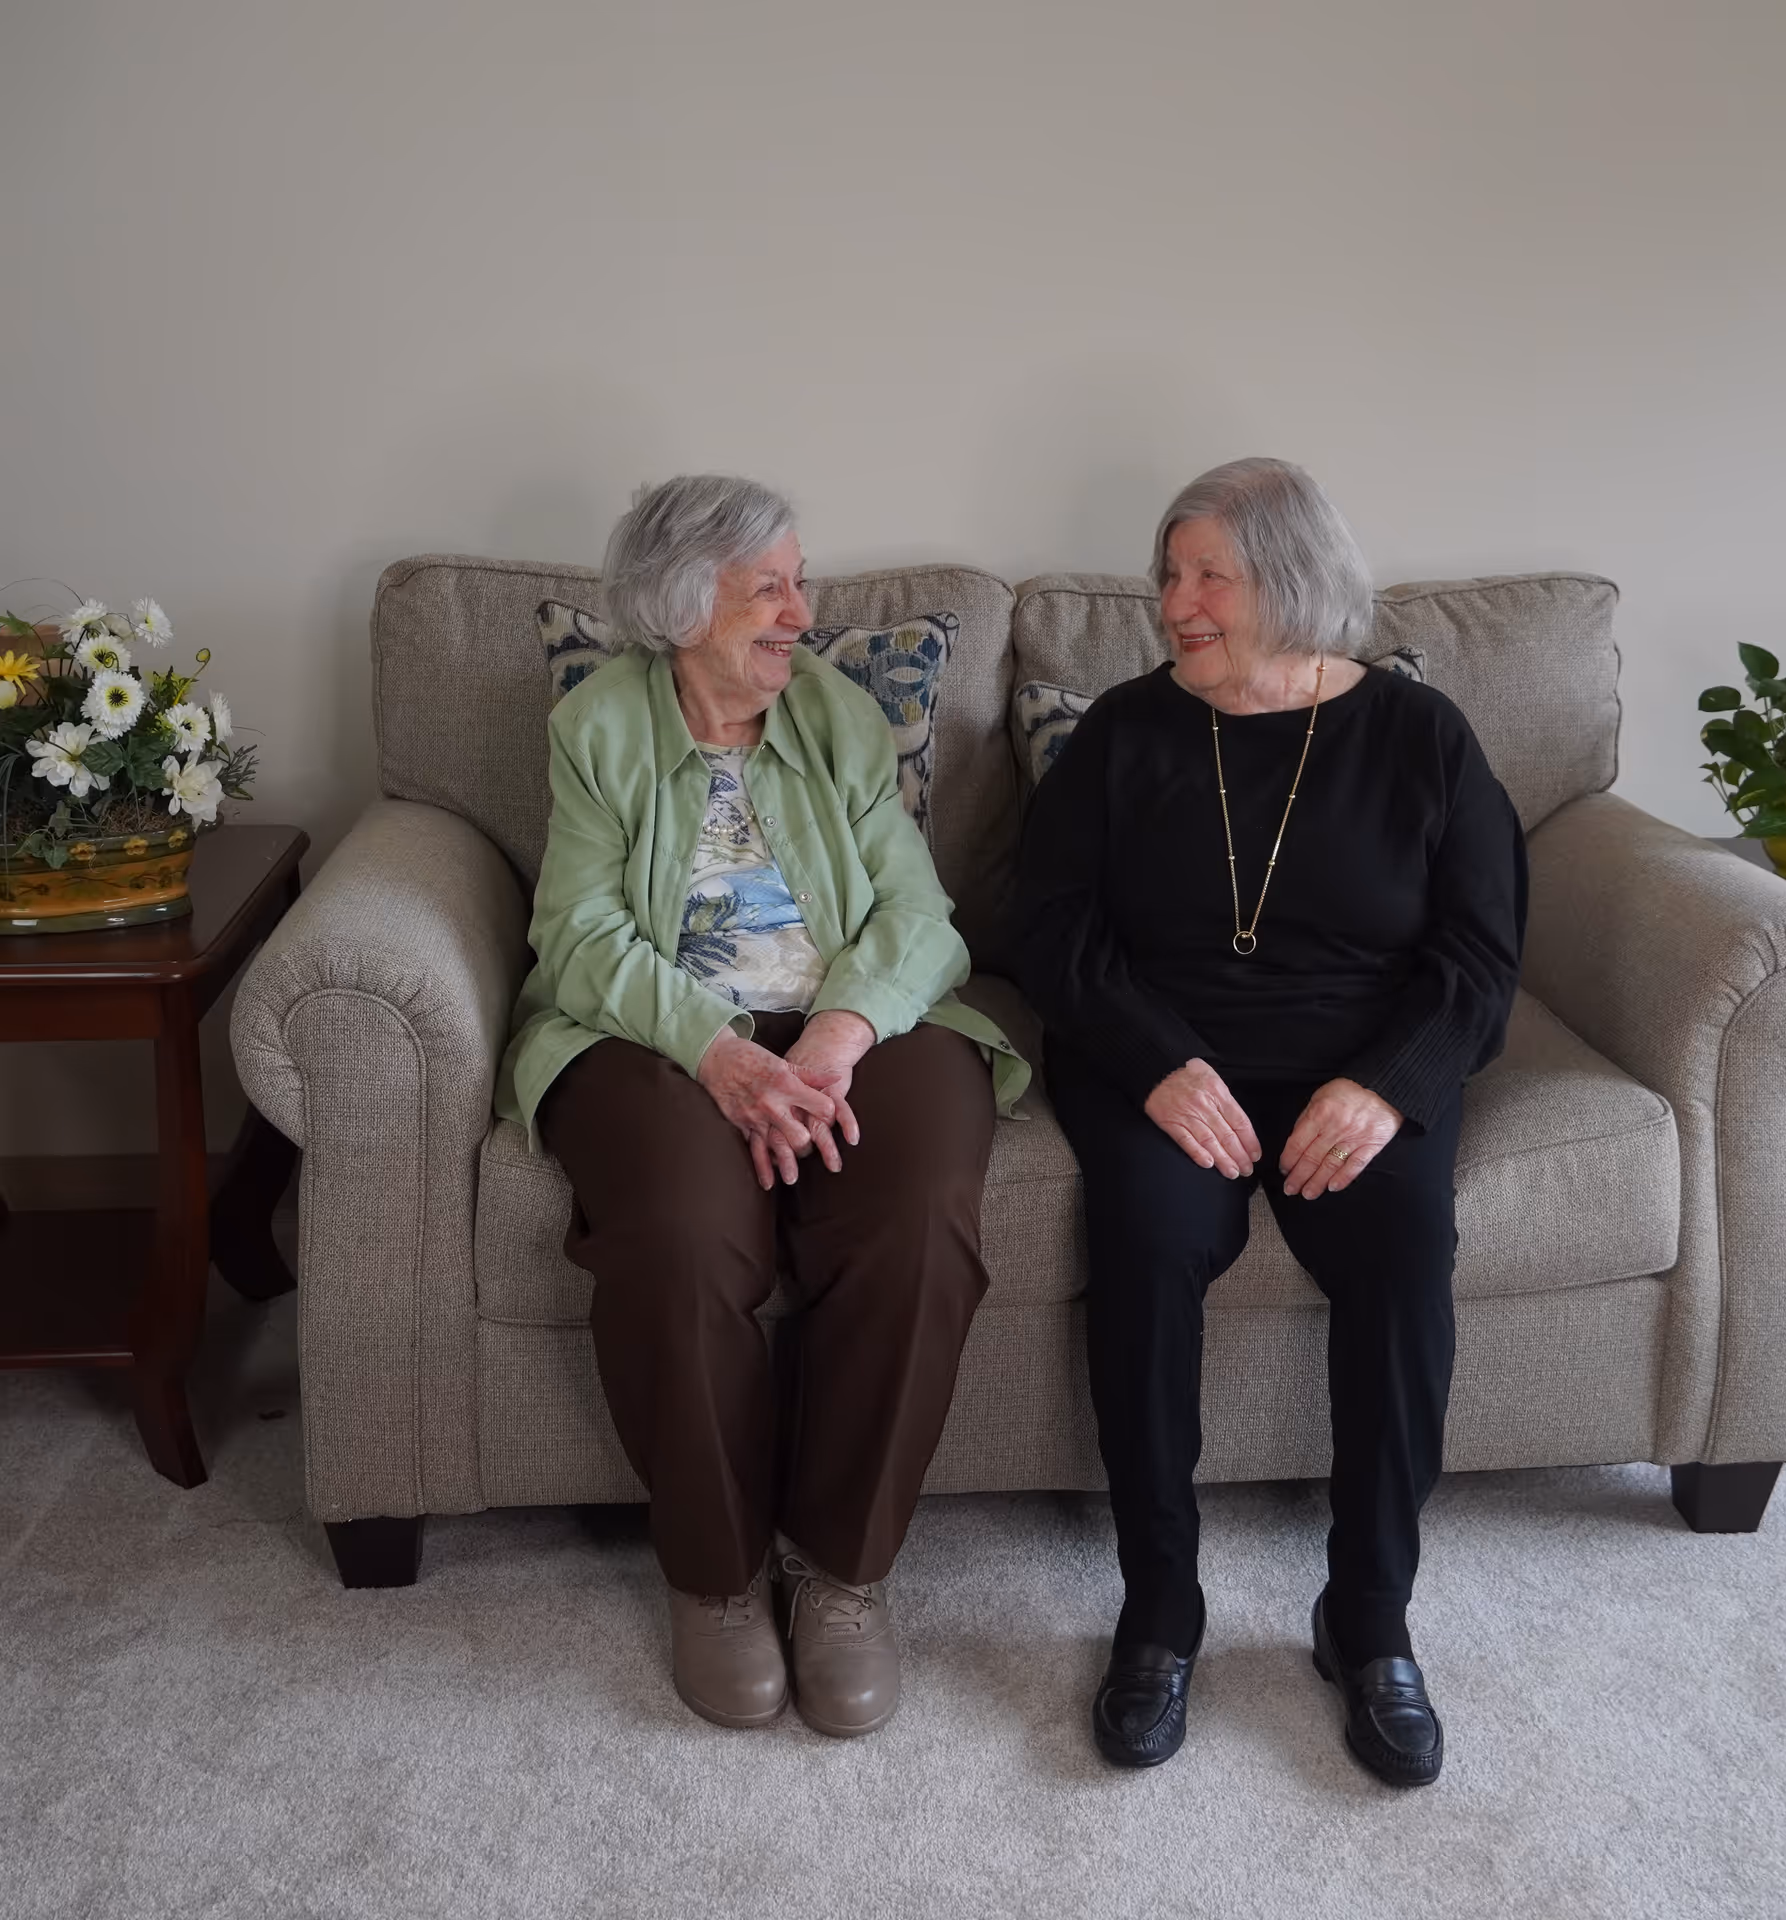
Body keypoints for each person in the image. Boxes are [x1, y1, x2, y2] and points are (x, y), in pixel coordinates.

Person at [1012, 458, 1524, 1785]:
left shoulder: (1421, 739)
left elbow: (1478, 951)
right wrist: (1154, 1060)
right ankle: (1159, 1613)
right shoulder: (1125, 734)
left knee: (1407, 1249)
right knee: (1145, 1236)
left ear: (1289, 581)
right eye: (1168, 574)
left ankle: (1368, 1622)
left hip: (1353, 1069)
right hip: (1164, 1063)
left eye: (1206, 576)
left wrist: (1392, 1085)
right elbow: (1049, 927)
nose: (1175, 601)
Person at [497, 474, 1026, 1738]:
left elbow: (915, 915)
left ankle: (841, 1575)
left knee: (918, 1218)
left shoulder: (841, 719)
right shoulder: (600, 728)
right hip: (652, 1035)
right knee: (678, 1237)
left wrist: (838, 1038)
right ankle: (718, 1576)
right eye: (771, 589)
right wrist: (717, 1051)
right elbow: (576, 932)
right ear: (685, 610)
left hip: (856, 1022)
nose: (804, 611)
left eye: (801, 580)